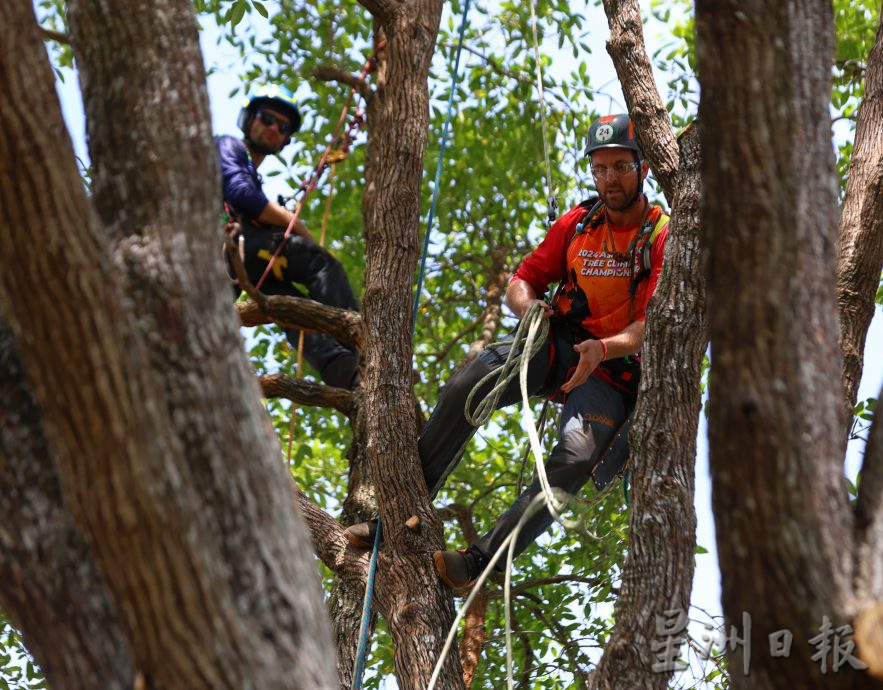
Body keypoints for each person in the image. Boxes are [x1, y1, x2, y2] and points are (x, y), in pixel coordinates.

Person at [344, 113, 670, 588]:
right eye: (600, 168)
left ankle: (479, 561)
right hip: (556, 343)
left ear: (643, 167)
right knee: (468, 383)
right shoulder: (579, 224)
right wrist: (530, 309)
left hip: (611, 370)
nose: (609, 179)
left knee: (577, 459)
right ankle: (396, 516)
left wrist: (603, 348)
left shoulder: (661, 235)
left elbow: (651, 325)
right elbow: (523, 280)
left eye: (620, 167)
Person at [219, 84, 360, 389]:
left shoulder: (250, 173)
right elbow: (241, 195)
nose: (273, 129)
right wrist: (300, 231)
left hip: (237, 266)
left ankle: (345, 370)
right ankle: (367, 348)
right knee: (323, 265)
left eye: (282, 127)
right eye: (267, 119)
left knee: (290, 306)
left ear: (285, 139)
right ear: (249, 119)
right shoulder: (229, 146)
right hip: (231, 247)